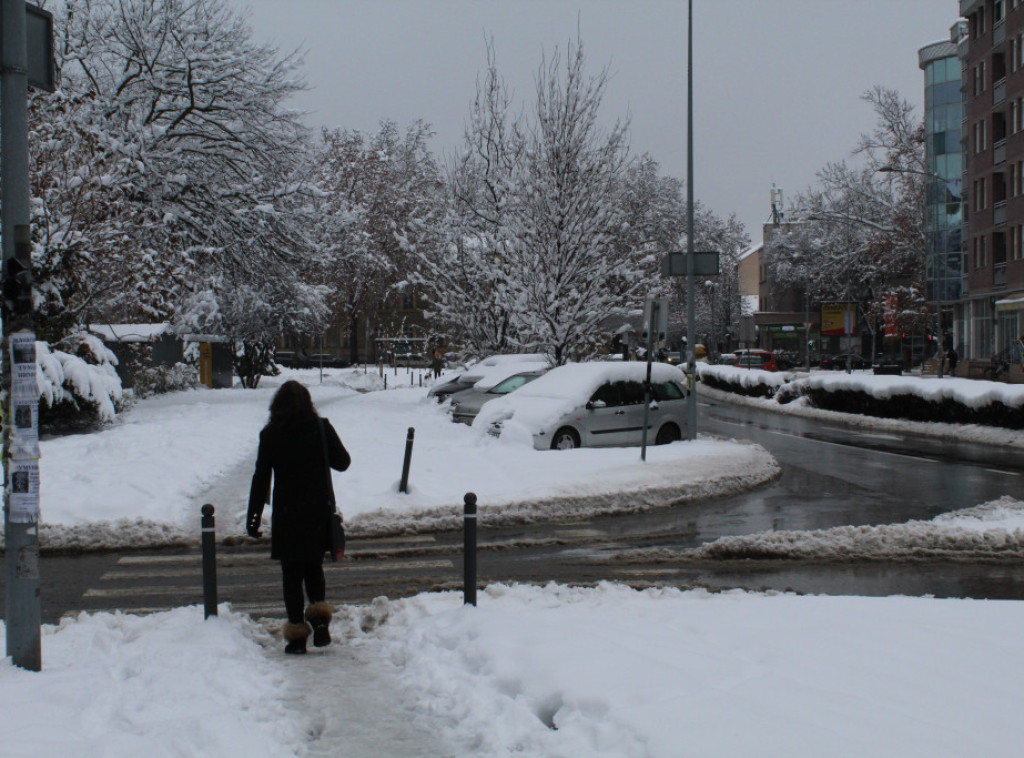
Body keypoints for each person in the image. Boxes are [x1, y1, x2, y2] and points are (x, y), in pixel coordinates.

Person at [247, 380, 351, 654]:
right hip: (317, 510)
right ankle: (319, 623)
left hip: (287, 514)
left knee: (291, 574)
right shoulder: (320, 428)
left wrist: (254, 514)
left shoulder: (270, 434)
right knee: (313, 567)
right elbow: (343, 462)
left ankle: (296, 637)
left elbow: (262, 477)